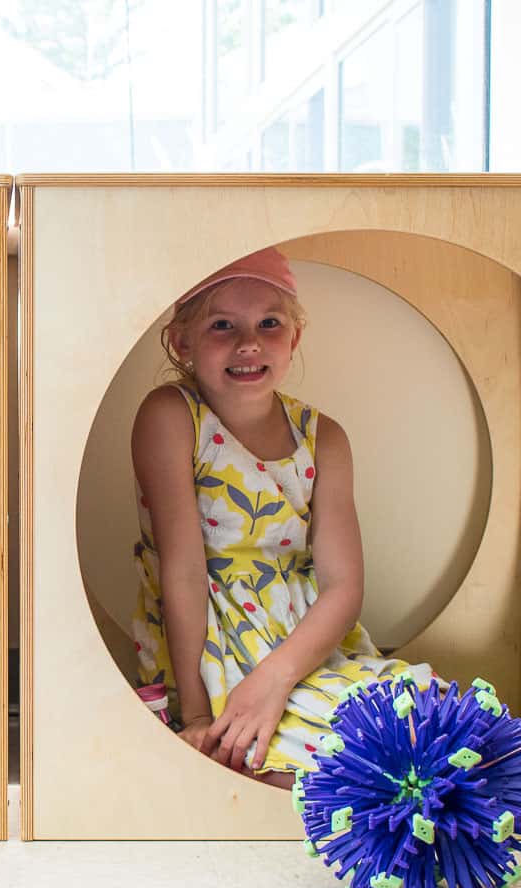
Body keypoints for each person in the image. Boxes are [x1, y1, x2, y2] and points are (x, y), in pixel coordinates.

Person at [130, 247, 430, 789]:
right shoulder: (173, 417)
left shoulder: (323, 436)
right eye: (223, 325)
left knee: (419, 720)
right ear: (182, 342)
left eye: (269, 323)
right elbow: (182, 571)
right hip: (212, 645)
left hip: (303, 643)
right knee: (300, 767)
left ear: (293, 338)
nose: (249, 343)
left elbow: (343, 586)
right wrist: (196, 716)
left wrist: (277, 677)